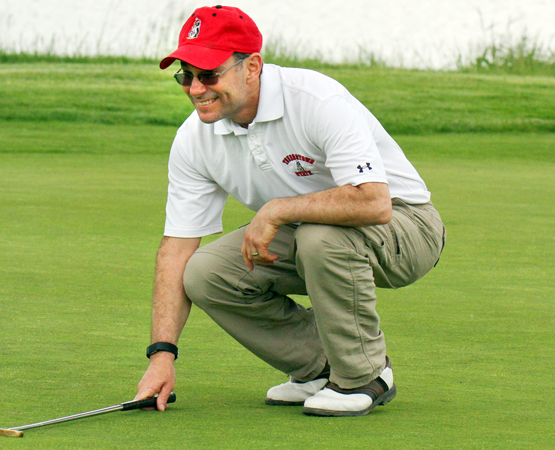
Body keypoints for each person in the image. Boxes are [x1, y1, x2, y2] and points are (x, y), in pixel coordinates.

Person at [135, 5, 445, 417]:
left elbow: (374, 201)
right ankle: (318, 367)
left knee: (320, 237)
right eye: (185, 76)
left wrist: (277, 210)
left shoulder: (317, 99)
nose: (195, 89)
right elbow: (176, 247)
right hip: (309, 232)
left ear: (252, 66)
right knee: (204, 273)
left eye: (208, 75)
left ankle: (364, 376)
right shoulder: (195, 138)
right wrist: (162, 354)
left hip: (408, 227)